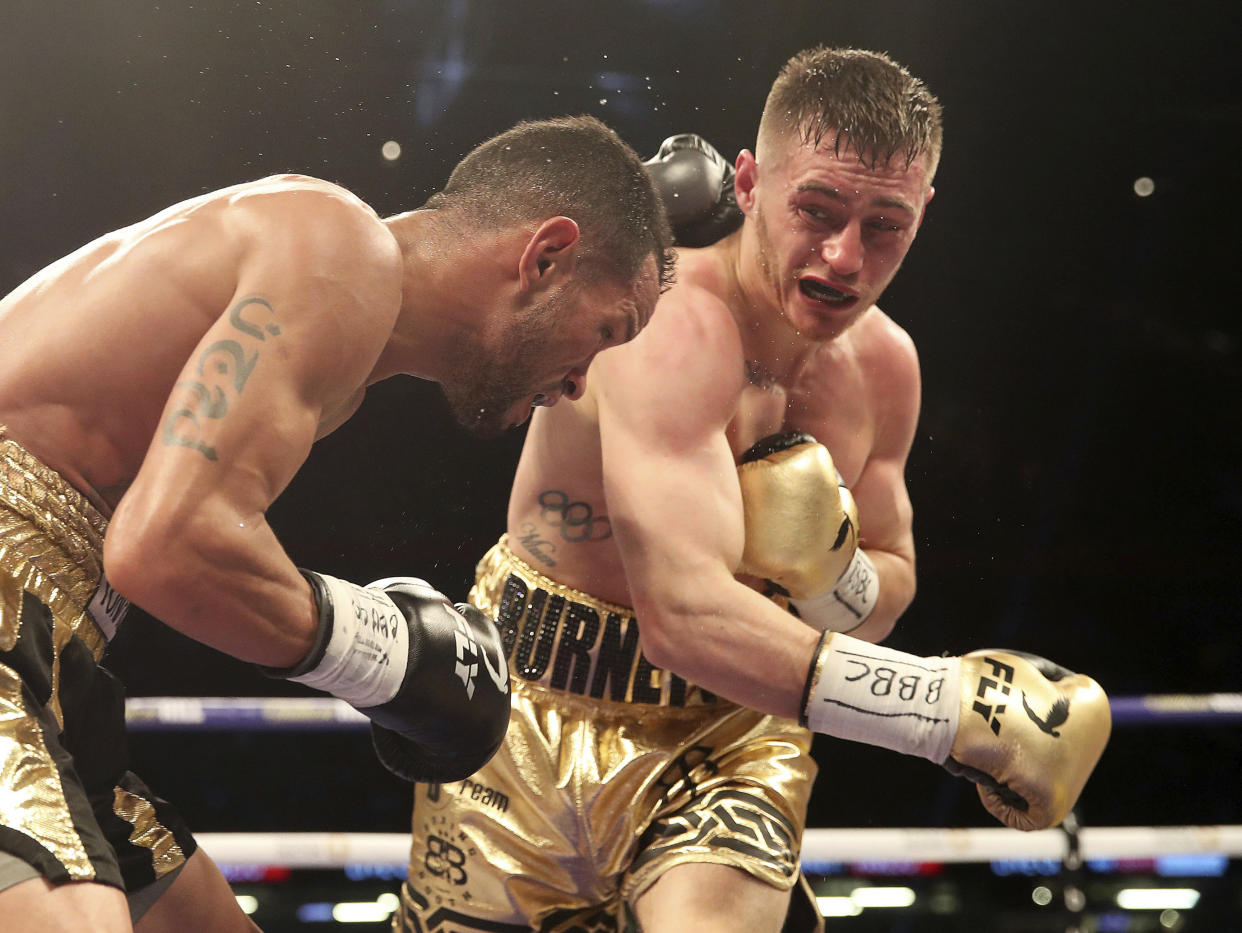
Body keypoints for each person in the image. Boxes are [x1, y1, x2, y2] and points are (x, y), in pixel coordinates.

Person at [397, 48, 1110, 933]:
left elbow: (891, 584)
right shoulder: (665, 323)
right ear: (748, 182)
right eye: (816, 209)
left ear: (924, 213)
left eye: (885, 225)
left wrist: (831, 575)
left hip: (729, 733)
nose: (845, 256)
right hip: (525, 714)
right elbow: (685, 618)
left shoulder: (886, 368)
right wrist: (943, 711)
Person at [0, 114, 673, 933]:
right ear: (546, 256)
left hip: (55, 641)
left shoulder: (344, 353)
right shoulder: (341, 249)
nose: (581, 383)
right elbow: (163, 545)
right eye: (608, 331)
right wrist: (389, 654)